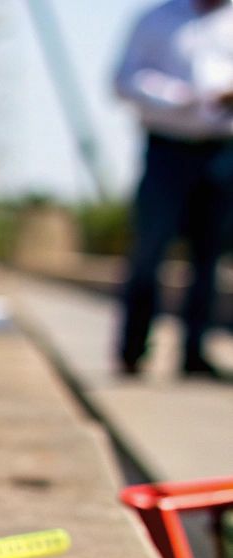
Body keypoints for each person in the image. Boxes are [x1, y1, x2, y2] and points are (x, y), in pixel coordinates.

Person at [114, 0, 233, 379]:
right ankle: (133, 349)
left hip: (223, 149)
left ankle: (195, 354)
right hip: (167, 147)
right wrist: (187, 97)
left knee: (210, 256)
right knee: (150, 249)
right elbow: (123, 80)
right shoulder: (156, 19)